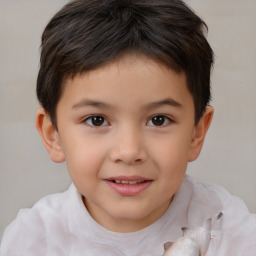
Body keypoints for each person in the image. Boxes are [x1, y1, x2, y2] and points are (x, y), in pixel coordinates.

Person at [1, 0, 255, 255]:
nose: (129, 151)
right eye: (96, 120)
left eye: (159, 120)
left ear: (195, 134)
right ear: (53, 135)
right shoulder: (32, 240)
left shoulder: (229, 234)